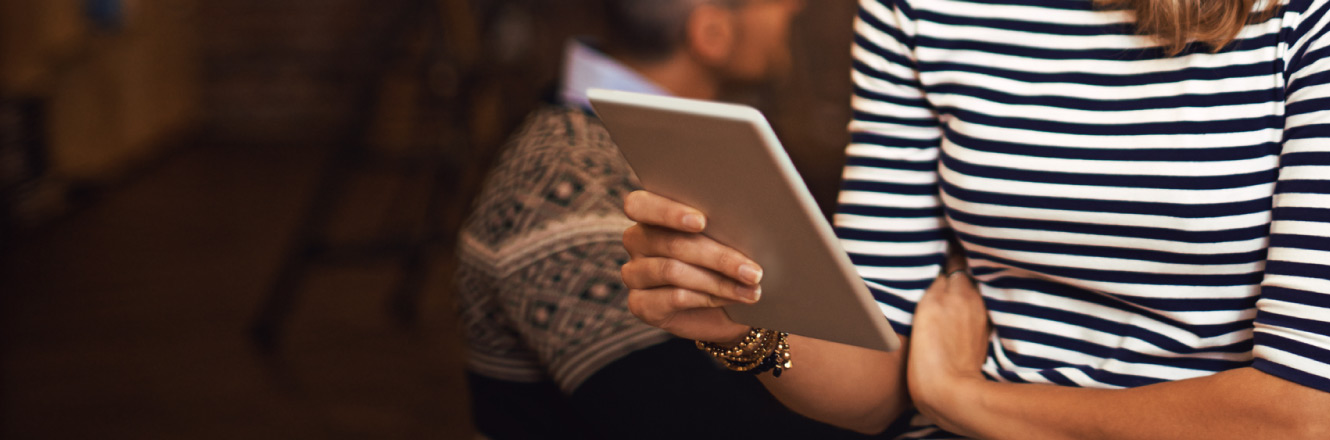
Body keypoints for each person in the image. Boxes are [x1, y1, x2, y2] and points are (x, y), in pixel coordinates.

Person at [620, 0, 1330, 438]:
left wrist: (970, 403)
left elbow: (1302, 416)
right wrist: (751, 322)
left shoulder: (1304, 16)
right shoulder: (917, 8)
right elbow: (875, 383)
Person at [454, 0, 872, 438]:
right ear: (711, 34)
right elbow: (699, 421)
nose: (794, 6)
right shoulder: (566, 195)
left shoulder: (667, 144)